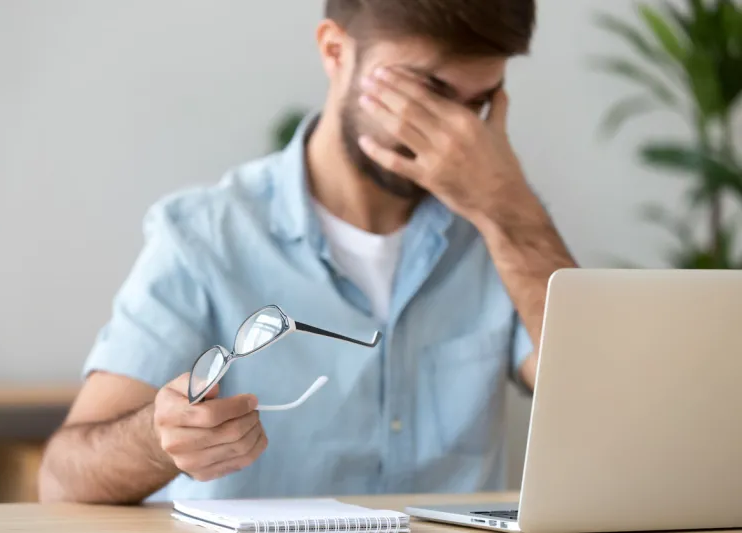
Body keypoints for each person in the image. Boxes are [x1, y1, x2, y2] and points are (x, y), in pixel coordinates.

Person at [38, 0, 576, 504]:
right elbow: (62, 479)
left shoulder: (499, 237)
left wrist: (507, 210)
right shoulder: (204, 236)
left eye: (478, 103)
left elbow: (602, 414)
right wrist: (160, 440)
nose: (455, 136)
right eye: (427, 93)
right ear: (335, 52)